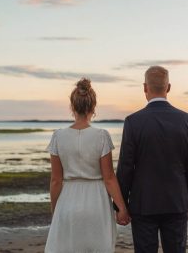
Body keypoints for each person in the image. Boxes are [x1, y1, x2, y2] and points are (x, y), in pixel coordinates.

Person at [115, 66, 188, 253]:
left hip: (143, 203)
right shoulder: (187, 120)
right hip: (176, 201)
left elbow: (126, 167)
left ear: (145, 88)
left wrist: (121, 205)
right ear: (168, 87)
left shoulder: (133, 121)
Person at [45, 78, 130, 253]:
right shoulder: (101, 136)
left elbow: (55, 180)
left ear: (72, 106)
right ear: (93, 107)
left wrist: (56, 209)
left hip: (68, 201)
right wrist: (122, 208)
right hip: (96, 202)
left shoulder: (58, 136)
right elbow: (109, 178)